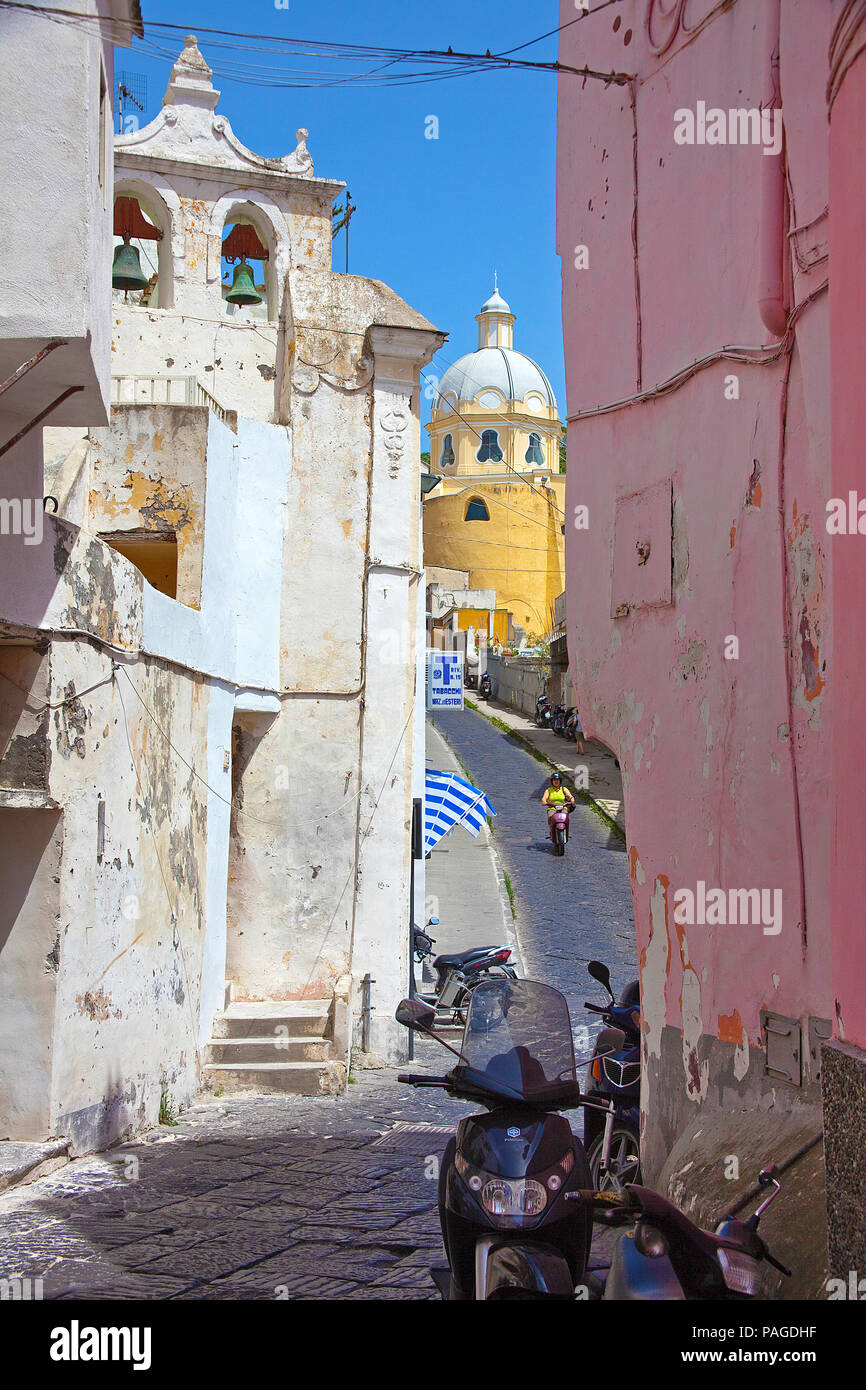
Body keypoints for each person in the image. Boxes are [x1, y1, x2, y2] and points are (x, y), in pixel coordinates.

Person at [541, 771, 575, 843]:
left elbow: (570, 796)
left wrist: (572, 800)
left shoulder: (564, 789)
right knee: (550, 816)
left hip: (563, 807)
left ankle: (566, 831)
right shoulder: (549, 790)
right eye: (554, 780)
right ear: (552, 781)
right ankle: (551, 831)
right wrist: (545, 802)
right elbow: (544, 799)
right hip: (552, 808)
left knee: (565, 816)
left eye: (557, 780)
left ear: (560, 781)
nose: (556, 782)